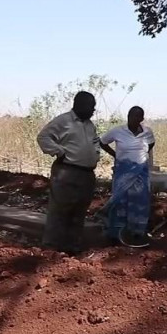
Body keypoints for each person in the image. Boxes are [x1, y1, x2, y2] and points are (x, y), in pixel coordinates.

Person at [37, 91, 100, 255]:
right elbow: (43, 137)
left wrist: (95, 154)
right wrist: (58, 151)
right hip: (67, 171)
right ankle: (51, 248)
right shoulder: (63, 121)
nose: (93, 110)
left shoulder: (90, 125)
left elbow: (95, 142)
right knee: (60, 210)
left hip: (86, 175)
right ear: (79, 104)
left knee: (79, 211)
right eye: (91, 106)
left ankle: (72, 247)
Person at [100, 106, 156, 247]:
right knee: (120, 200)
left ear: (141, 119)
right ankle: (116, 234)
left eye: (137, 117)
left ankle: (136, 232)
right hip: (123, 172)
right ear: (128, 116)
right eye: (131, 116)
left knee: (140, 200)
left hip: (141, 173)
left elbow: (151, 144)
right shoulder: (118, 131)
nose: (134, 119)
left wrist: (142, 157)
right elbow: (103, 142)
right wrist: (116, 155)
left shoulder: (147, 132)